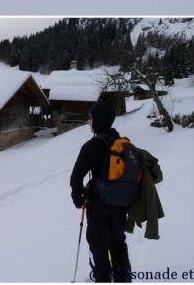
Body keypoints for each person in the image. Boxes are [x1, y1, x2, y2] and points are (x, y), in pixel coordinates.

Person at [70, 101, 132, 282]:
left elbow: (76, 176)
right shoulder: (123, 144)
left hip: (98, 205)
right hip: (120, 205)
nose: (88, 122)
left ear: (98, 120)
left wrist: (79, 198)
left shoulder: (91, 146)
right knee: (118, 243)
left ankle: (103, 278)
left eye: (90, 118)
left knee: (98, 246)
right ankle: (123, 278)